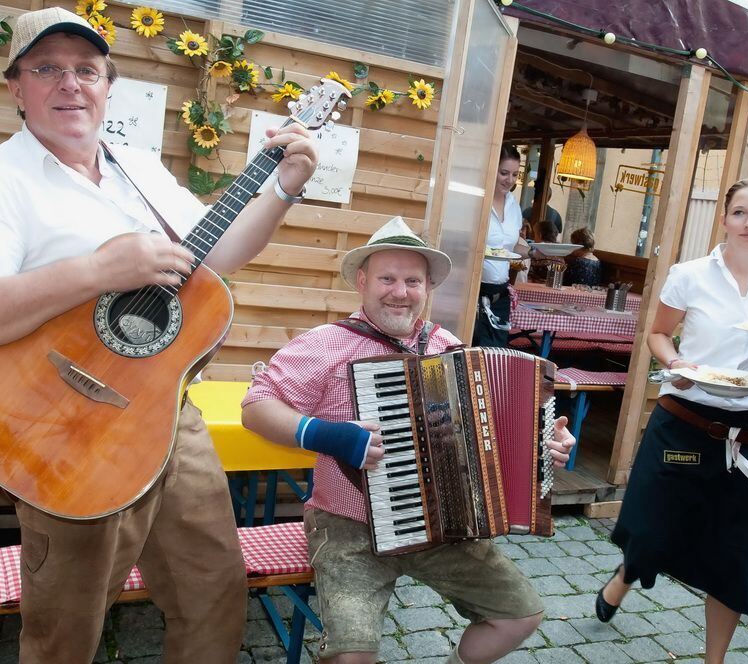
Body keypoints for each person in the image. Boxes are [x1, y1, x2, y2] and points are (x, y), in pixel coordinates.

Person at [0, 8, 318, 663]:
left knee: (212, 591)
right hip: (61, 430)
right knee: (66, 625)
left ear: (108, 86)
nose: (70, 83)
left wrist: (283, 190)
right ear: (17, 88)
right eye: (47, 69)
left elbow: (210, 260)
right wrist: (96, 270)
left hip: (164, 410)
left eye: (87, 70)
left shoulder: (136, 167)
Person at [241, 216, 575, 664]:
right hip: (348, 526)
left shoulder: (448, 347)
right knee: (350, 658)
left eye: (412, 281)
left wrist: (541, 449)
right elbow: (256, 406)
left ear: (426, 287)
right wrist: (324, 434)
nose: (400, 292)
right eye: (388, 278)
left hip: (441, 525)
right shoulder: (326, 344)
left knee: (519, 617)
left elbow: (494, 432)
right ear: (362, 282)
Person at [595, 178, 748, 663]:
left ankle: (714, 660)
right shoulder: (689, 274)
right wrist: (676, 364)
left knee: (733, 556)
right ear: (724, 219)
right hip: (683, 418)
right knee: (651, 531)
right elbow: (658, 334)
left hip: (746, 435)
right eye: (739, 212)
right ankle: (625, 577)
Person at [474, 144, 528, 347]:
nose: (510, 180)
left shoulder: (514, 206)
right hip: (475, 293)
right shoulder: (478, 202)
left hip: (500, 296)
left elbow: (510, 248)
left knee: (495, 357)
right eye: (504, 173)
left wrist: (536, 251)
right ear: (491, 170)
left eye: (515, 174)